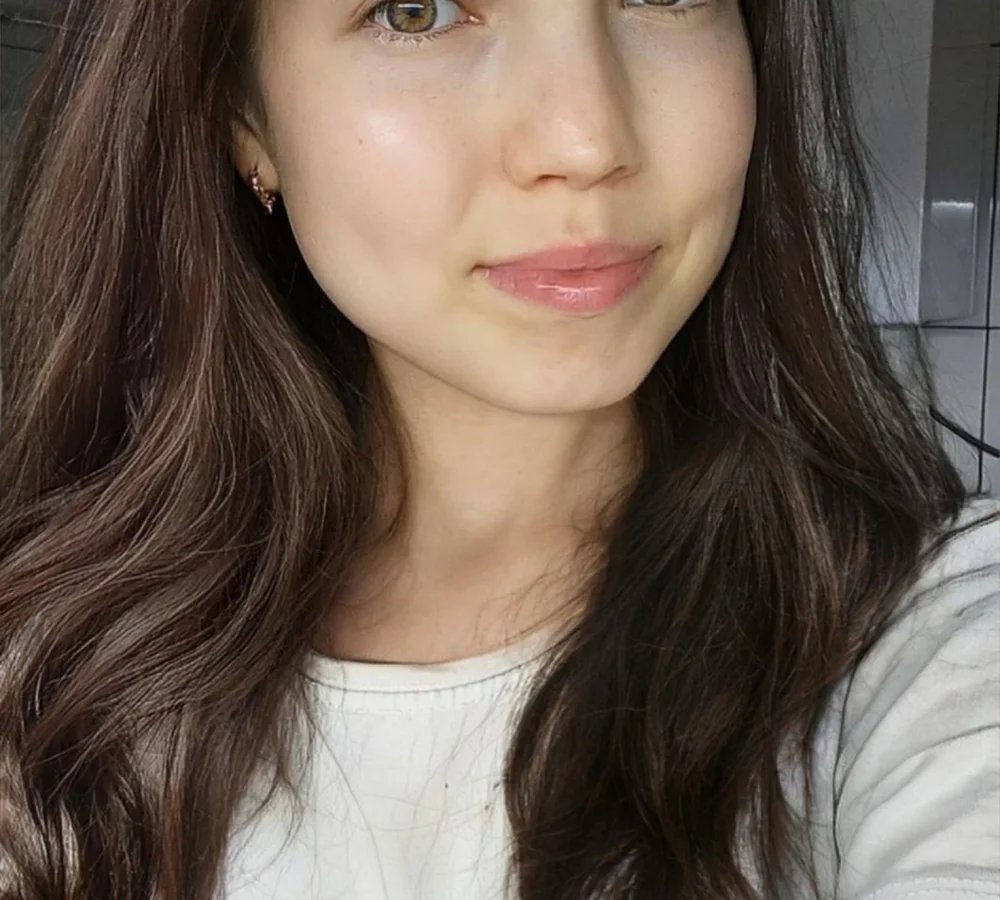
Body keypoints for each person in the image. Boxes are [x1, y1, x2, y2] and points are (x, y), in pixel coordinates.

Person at [0, 0, 997, 898]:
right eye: (417, 12)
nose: (586, 140)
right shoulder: (53, 678)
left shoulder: (934, 645)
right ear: (245, 113)